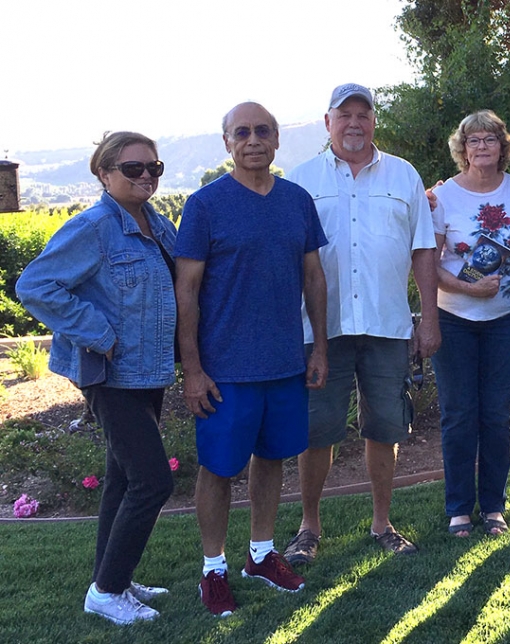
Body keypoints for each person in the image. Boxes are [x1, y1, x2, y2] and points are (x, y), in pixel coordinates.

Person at [175, 102, 329, 617]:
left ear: (278, 139)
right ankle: (213, 569)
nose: (253, 139)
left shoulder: (296, 201)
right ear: (227, 143)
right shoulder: (204, 206)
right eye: (242, 132)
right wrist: (192, 369)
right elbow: (188, 290)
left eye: (263, 131)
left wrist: (320, 346)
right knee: (218, 469)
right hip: (225, 373)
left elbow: (313, 277)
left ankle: (261, 555)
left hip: (285, 363)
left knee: (272, 460)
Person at [17, 132, 176, 624]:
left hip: (150, 370)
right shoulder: (93, 227)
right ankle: (106, 591)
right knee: (152, 481)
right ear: (104, 174)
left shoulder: (158, 224)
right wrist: (97, 332)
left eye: (154, 167)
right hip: (110, 373)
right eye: (133, 168)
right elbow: (35, 285)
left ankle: (113, 580)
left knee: (123, 479)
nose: (146, 175)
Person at [283, 83, 440, 562]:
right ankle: (309, 527)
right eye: (344, 114)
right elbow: (287, 256)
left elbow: (423, 249)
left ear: (374, 121)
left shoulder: (403, 174)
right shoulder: (300, 179)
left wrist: (428, 319)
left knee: (385, 427)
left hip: (387, 324)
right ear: (327, 121)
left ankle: (382, 523)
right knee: (317, 430)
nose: (355, 122)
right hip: (320, 331)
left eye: (363, 114)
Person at [430, 110, 510, 537]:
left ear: (502, 145)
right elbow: (427, 264)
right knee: (458, 414)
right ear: (462, 149)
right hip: (454, 318)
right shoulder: (443, 197)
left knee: (495, 414)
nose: (482, 146)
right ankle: (458, 509)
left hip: (507, 318)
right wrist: (469, 290)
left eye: (490, 138)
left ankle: (493, 507)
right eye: (473, 140)